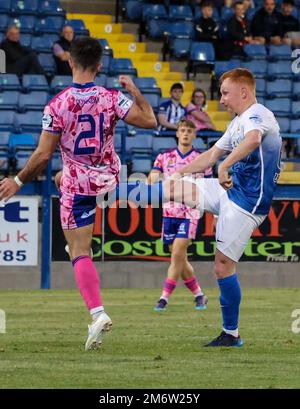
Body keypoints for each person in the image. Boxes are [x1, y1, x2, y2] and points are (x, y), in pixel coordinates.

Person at [0, 36, 157, 351]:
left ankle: (97, 313)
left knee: (78, 251)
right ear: (99, 67)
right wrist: (136, 91)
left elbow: (43, 155)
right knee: (63, 176)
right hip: (111, 178)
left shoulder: (57, 104)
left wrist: (17, 180)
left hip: (79, 184)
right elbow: (151, 121)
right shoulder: (112, 97)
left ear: (70, 62)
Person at [163, 68, 282, 346]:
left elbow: (252, 140)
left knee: (222, 267)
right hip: (228, 191)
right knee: (172, 187)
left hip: (247, 203)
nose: (222, 100)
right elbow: (211, 155)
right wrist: (180, 172)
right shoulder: (237, 122)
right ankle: (107, 191)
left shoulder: (258, 114)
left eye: (225, 93)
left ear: (244, 91)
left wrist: (225, 165)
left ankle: (231, 334)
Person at [148, 119, 211, 311]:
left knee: (177, 253)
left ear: (194, 135)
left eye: (189, 131)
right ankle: (199, 295)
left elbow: (208, 186)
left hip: (190, 212)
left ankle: (163, 299)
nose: (185, 134)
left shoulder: (202, 159)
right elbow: (152, 176)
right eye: (182, 130)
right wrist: (152, 180)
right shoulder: (164, 157)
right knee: (179, 258)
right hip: (169, 212)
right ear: (177, 133)